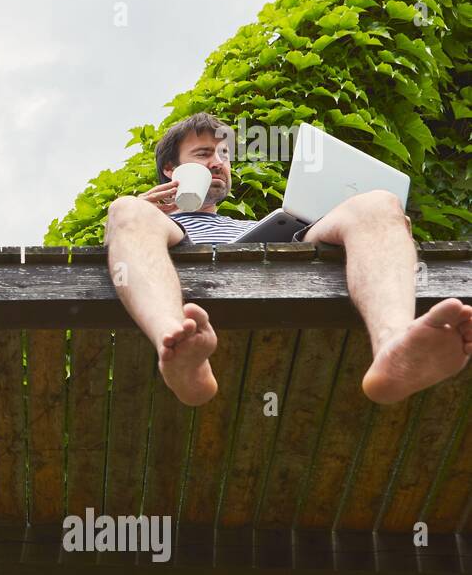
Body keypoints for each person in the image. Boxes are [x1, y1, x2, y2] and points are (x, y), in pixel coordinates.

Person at [104, 111, 472, 406]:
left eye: (224, 155)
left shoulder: (256, 223)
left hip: (288, 255)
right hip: (186, 279)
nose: (218, 163)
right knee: (123, 209)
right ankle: (178, 344)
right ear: (171, 170)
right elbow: (123, 240)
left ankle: (394, 346)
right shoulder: (150, 218)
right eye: (202, 155)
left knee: (380, 203)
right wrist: (138, 211)